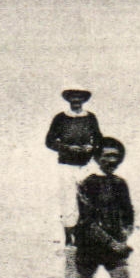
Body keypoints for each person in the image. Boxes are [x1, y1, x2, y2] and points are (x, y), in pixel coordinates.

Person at [61, 137, 136, 278]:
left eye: (115, 156)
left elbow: (129, 215)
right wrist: (112, 242)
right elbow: (88, 222)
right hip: (90, 247)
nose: (110, 160)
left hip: (114, 248)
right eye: (106, 156)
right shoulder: (88, 183)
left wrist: (124, 235)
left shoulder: (121, 184)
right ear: (97, 157)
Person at [45, 89, 103, 244]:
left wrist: (91, 148)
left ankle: (85, 234)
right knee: (68, 200)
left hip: (85, 165)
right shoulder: (61, 118)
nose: (76, 100)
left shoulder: (90, 118)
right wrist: (66, 148)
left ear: (84, 100)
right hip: (66, 166)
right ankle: (69, 237)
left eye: (79, 97)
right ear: (68, 99)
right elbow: (49, 141)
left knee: (89, 198)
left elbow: (99, 140)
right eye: (73, 97)